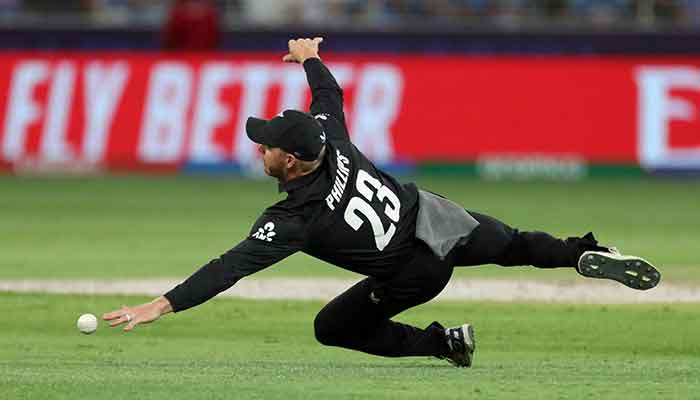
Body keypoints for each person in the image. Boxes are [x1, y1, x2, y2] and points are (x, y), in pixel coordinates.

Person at [104, 37, 661, 368]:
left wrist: (164, 304)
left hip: (414, 273)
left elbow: (229, 267)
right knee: (514, 245)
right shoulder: (332, 141)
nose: (261, 149)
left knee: (332, 328)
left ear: (292, 162)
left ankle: (442, 343)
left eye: (267, 146)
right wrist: (309, 59)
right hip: (438, 218)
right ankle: (583, 254)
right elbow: (329, 98)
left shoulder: (294, 218)